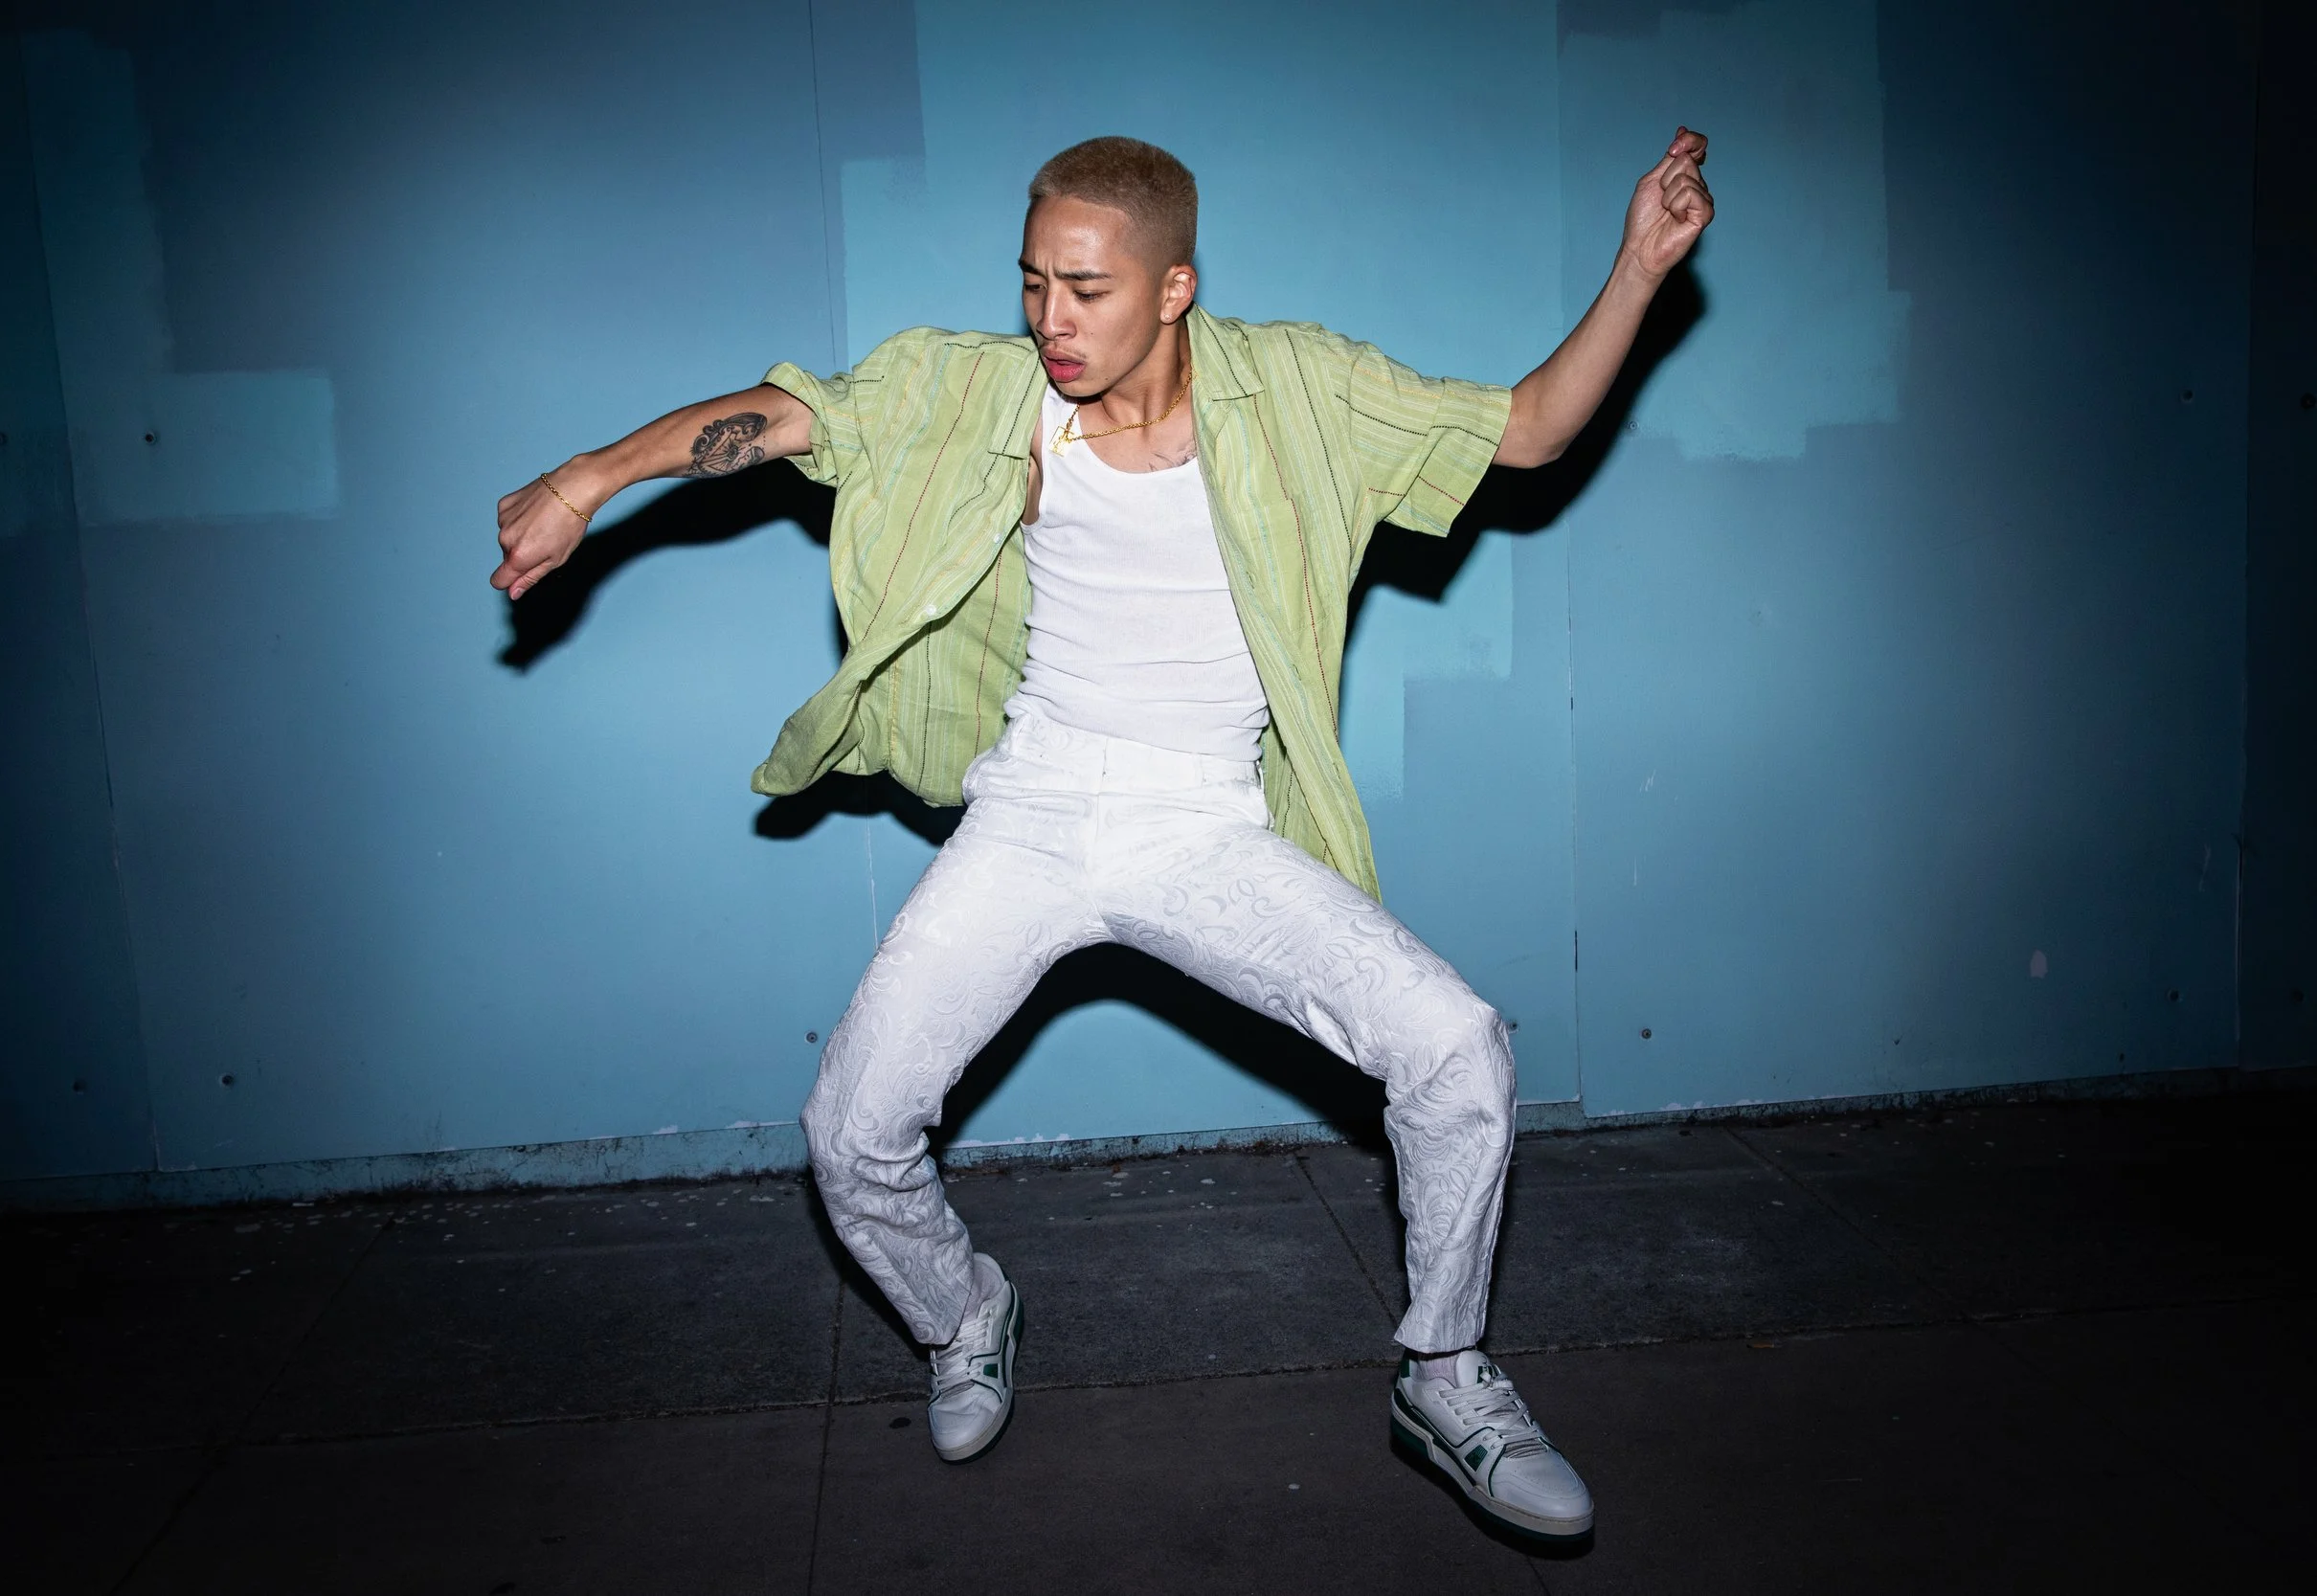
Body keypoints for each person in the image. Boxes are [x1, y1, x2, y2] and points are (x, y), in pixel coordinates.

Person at [493, 129, 1711, 1540]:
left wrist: (1636, 269)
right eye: (1030, 283)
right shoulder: (987, 396)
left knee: (1456, 1048)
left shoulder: (1300, 389)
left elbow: (1529, 429)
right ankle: (968, 1314)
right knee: (849, 1131)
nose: (1049, 322)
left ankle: (1444, 1369)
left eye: (1085, 290)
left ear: (1175, 286)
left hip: (1204, 823)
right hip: (1035, 808)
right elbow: (789, 418)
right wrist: (588, 478)